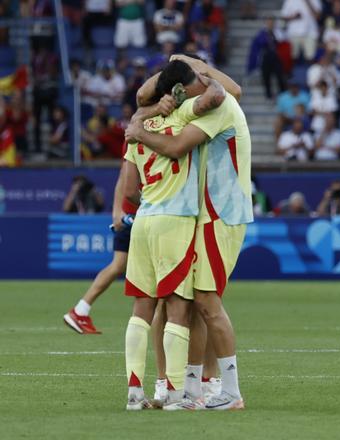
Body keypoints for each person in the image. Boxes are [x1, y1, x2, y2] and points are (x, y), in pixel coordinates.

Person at [126, 54, 250, 411]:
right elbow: (141, 100)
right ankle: (188, 388)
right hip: (200, 213)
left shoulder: (218, 103)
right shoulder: (186, 107)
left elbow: (181, 140)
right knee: (190, 303)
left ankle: (227, 390)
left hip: (219, 213)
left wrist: (194, 65)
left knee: (206, 302)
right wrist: (154, 107)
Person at [63, 160, 136, 334]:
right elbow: (124, 176)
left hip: (135, 215)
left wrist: (117, 211)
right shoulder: (137, 137)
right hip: (136, 216)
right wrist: (117, 211)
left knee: (119, 265)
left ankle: (80, 310)